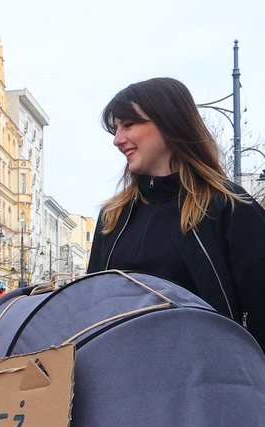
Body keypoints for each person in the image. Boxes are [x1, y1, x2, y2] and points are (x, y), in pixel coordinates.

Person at [89, 77, 265, 353]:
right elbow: (90, 308)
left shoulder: (228, 206)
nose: (117, 139)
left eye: (129, 124)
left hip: (207, 381)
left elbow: (259, 309)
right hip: (122, 381)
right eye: (115, 129)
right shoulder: (113, 218)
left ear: (168, 122)